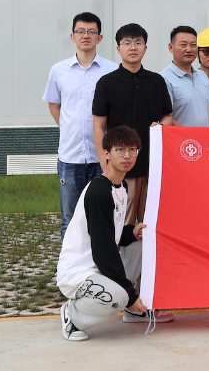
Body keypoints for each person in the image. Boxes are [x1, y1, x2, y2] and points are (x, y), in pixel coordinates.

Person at [57, 125, 161, 341]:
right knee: (118, 297)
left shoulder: (120, 187)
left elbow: (111, 234)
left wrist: (131, 233)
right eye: (120, 150)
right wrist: (130, 294)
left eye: (132, 150)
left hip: (99, 265)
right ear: (106, 153)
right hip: (80, 272)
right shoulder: (98, 191)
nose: (127, 156)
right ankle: (73, 316)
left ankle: (133, 311)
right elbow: (103, 250)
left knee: (148, 244)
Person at [92, 23, 174, 227]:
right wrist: (105, 163)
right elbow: (99, 126)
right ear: (118, 49)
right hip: (122, 164)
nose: (133, 47)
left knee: (150, 223)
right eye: (127, 43)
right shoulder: (106, 83)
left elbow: (168, 115)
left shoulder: (157, 81)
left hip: (152, 163)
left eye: (138, 42)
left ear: (145, 48)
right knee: (123, 224)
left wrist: (160, 125)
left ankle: (146, 251)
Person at [44, 12, 116, 238]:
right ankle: (69, 262)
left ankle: (98, 259)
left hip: (101, 156)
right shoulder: (59, 70)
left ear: (100, 38)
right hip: (70, 156)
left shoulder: (111, 70)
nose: (86, 35)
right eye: (81, 31)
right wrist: (67, 128)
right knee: (70, 218)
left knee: (102, 217)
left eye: (91, 32)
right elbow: (54, 104)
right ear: (72, 36)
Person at [160, 26, 209, 128]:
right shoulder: (163, 78)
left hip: (206, 137)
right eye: (183, 45)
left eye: (193, 45)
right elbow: (167, 117)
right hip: (180, 137)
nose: (189, 49)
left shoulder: (202, 75)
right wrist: (189, 135)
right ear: (171, 47)